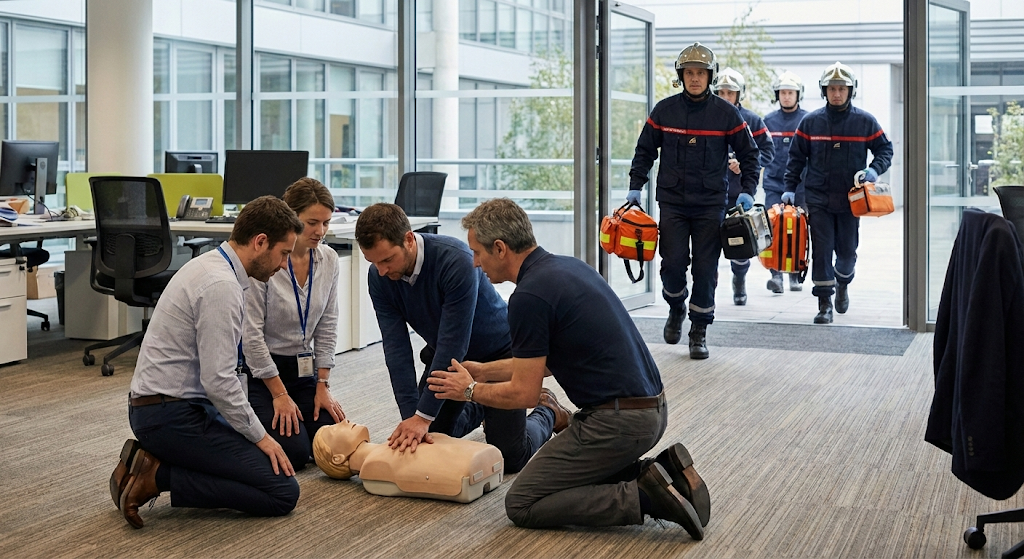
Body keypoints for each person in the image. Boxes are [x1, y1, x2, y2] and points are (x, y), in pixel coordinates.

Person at [427, 198, 711, 540]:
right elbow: (546, 364)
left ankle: (644, 497)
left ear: (500, 248)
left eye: (477, 252)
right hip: (650, 411)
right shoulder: (567, 268)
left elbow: (525, 394)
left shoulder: (528, 297)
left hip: (619, 424)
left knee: (523, 502)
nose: (475, 262)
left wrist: (469, 391)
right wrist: (483, 371)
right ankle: (663, 473)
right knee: (565, 476)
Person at [109, 196, 305, 529]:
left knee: (278, 453)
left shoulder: (214, 265)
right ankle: (157, 475)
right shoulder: (221, 286)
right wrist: (260, 437)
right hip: (170, 417)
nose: (285, 265)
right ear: (260, 242)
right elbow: (219, 381)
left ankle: (157, 463)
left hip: (174, 407)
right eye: (284, 253)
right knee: (282, 491)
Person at [353, 203, 566, 474]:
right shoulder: (379, 277)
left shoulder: (456, 260)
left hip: (496, 353)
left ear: (408, 239)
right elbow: (396, 350)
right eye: (373, 262)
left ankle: (548, 410)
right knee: (432, 437)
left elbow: (454, 342)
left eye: (387, 260)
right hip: (449, 358)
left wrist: (423, 416)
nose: (381, 271)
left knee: (511, 457)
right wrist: (413, 417)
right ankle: (482, 406)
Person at [628, 42, 760, 359]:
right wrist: (635, 186)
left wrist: (747, 190)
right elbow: (644, 151)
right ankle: (676, 306)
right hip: (672, 202)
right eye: (689, 73)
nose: (695, 78)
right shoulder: (664, 111)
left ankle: (699, 330)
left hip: (710, 204)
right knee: (673, 264)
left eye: (701, 72)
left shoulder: (726, 114)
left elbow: (750, 155)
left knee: (705, 268)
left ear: (710, 76)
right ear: (681, 76)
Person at [241, 178, 346, 471]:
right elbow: (251, 336)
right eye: (312, 222)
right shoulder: (266, 261)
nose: (320, 231)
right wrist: (279, 394)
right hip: (261, 373)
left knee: (332, 441)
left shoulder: (328, 259)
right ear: (291, 218)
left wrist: (323, 384)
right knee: (295, 453)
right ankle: (234, 422)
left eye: (326, 223)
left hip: (302, 369)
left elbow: (328, 324)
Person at [783, 62, 893, 324]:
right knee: (822, 251)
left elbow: (884, 150)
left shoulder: (864, 122)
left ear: (851, 91)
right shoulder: (810, 123)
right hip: (818, 198)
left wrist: (874, 170)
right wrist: (789, 188)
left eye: (842, 88)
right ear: (824, 91)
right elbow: (795, 158)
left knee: (847, 252)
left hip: (851, 200)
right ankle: (824, 304)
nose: (836, 93)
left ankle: (843, 282)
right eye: (832, 88)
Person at [712, 67, 775, 306]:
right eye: (721, 92)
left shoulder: (753, 120)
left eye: (730, 93)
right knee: (708, 248)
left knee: (740, 242)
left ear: (740, 94)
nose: (726, 97)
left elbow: (768, 151)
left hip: (740, 194)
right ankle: (708, 291)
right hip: (710, 194)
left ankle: (739, 280)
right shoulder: (707, 117)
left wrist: (746, 164)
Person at [763, 70, 810, 294]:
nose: (787, 96)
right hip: (774, 183)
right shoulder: (768, 121)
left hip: (801, 186)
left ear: (798, 95)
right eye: (783, 92)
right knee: (773, 227)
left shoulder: (807, 121)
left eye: (791, 92)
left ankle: (794, 275)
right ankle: (776, 276)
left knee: (797, 230)